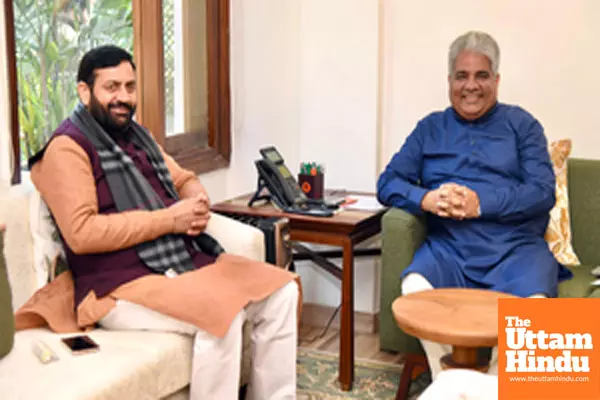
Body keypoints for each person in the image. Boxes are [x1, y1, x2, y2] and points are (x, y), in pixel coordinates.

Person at [28, 45, 299, 400]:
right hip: (115, 284)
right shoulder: (67, 148)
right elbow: (81, 234)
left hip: (177, 263)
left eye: (130, 86)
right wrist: (169, 220)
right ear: (84, 91)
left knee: (281, 292)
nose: (123, 97)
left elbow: (184, 178)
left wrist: (196, 200)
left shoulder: (138, 136)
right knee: (223, 316)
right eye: (111, 87)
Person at [377, 31, 572, 379]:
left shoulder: (522, 125)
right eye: (462, 76)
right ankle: (449, 378)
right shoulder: (430, 128)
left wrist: (481, 204)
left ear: (496, 80)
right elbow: (388, 182)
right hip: (450, 249)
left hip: (516, 249)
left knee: (537, 309)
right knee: (414, 289)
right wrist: (427, 198)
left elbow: (542, 192)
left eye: (482, 75)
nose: (471, 86)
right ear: (449, 80)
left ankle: (495, 382)